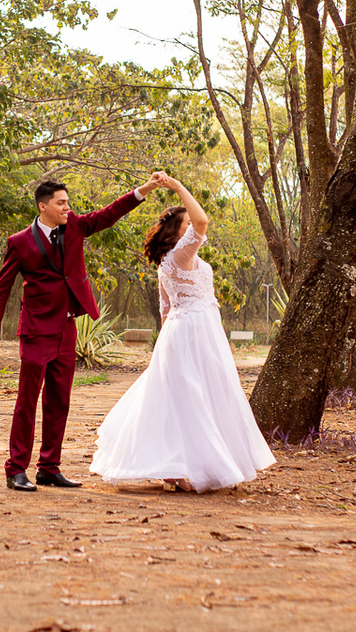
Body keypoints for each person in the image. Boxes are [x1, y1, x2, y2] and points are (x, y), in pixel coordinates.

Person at [89, 175, 275, 493]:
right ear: (177, 230)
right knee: (193, 396)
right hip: (192, 331)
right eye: (185, 222)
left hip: (190, 330)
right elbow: (202, 221)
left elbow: (164, 309)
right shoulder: (178, 256)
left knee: (191, 396)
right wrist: (177, 187)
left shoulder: (172, 261)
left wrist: (163, 349)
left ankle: (183, 466)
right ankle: (188, 467)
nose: (192, 226)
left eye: (189, 222)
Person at [0, 173, 166, 492]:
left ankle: (49, 468)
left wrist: (146, 189)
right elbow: (1, 290)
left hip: (67, 328)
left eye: (68, 202)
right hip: (36, 330)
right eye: (61, 203)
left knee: (60, 401)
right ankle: (16, 469)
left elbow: (110, 213)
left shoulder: (76, 228)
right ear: (43, 207)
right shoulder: (19, 242)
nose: (68, 207)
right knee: (27, 402)